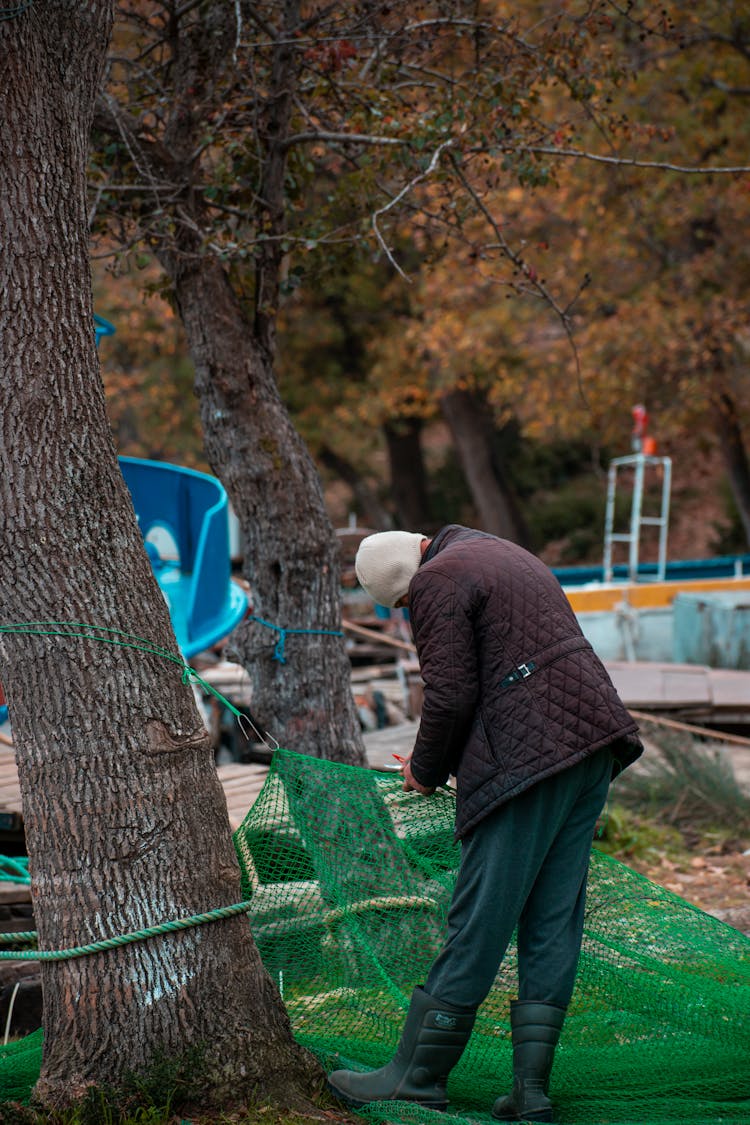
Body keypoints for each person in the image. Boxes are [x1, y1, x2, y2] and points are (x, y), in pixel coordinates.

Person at [328, 525, 643, 1122]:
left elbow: (449, 695)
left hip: (533, 759)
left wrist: (423, 772)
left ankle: (416, 1077)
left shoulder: (437, 581)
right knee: (552, 918)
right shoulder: (498, 550)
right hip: (593, 743)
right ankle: (530, 1093)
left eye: (401, 607)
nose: (407, 613)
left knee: (481, 915)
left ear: (405, 586)